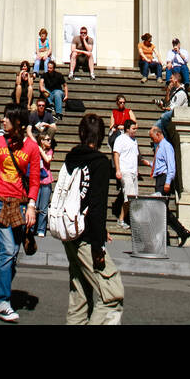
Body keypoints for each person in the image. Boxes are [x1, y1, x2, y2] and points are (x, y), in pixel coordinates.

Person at [0, 106, 40, 322]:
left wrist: (32, 205)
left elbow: (35, 180)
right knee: (7, 251)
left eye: (8, 118)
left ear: (19, 123)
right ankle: (2, 301)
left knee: (12, 254)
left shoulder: (31, 147)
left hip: (19, 205)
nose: (3, 121)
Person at [62, 113, 125, 325]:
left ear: (81, 133)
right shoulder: (100, 163)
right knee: (112, 294)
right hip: (88, 237)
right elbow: (97, 207)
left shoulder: (71, 159)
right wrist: (98, 244)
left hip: (69, 231)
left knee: (80, 292)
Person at [149, 124, 190, 245]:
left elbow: (171, 166)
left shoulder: (166, 146)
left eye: (153, 138)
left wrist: (167, 182)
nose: (153, 141)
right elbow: (159, 165)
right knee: (162, 209)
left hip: (163, 180)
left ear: (158, 134)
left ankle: (175, 233)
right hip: (160, 179)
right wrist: (148, 163)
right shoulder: (160, 147)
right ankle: (182, 232)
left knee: (160, 209)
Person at [113, 118, 139, 228]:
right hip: (125, 171)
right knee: (130, 196)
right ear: (127, 129)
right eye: (133, 129)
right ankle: (121, 219)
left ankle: (127, 219)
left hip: (133, 172)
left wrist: (137, 170)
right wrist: (118, 170)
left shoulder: (134, 140)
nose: (135, 131)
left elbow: (135, 156)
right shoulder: (120, 139)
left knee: (134, 197)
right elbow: (116, 154)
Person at [33, 126, 54, 237]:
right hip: (36, 181)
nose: (49, 141)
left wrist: (40, 149)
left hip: (46, 181)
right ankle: (32, 227)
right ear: (41, 141)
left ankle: (41, 228)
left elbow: (47, 159)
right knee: (34, 205)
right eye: (47, 139)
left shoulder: (49, 151)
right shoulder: (35, 151)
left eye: (49, 139)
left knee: (44, 207)